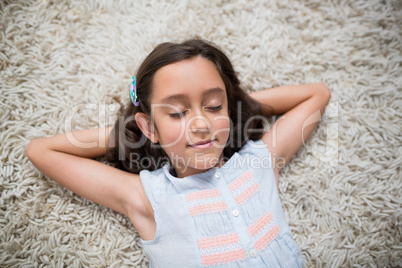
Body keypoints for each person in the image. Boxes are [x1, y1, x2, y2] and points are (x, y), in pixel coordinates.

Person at [27, 39, 331, 267]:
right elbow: (41, 150)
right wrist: (132, 131)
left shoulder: (260, 160)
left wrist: (239, 103)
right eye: (176, 113)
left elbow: (317, 94)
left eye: (214, 106)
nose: (200, 124)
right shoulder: (148, 196)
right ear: (150, 128)